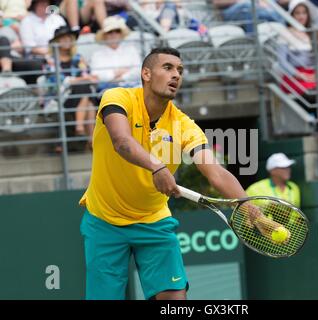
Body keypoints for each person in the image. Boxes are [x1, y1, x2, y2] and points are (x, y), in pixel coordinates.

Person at [79, 47, 252, 300]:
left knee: (174, 299)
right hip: (105, 219)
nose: (176, 75)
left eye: (180, 71)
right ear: (146, 73)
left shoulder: (184, 125)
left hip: (153, 220)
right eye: (168, 68)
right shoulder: (117, 98)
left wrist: (250, 209)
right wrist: (157, 167)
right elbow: (121, 141)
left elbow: (216, 173)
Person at [46, 25, 96, 151]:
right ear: (56, 42)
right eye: (62, 39)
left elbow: (86, 73)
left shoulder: (78, 57)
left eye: (69, 38)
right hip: (61, 97)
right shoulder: (50, 60)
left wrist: (87, 77)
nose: (66, 41)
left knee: (86, 92)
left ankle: (82, 130)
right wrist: (82, 79)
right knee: (86, 91)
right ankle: (89, 137)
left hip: (78, 96)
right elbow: (57, 81)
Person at [277, 0, 318, 114]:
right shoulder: (284, 34)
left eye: (304, 13)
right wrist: (299, 75)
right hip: (294, 76)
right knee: (312, 93)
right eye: (298, 13)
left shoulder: (312, 33)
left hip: (313, 74)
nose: (301, 16)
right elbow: (282, 61)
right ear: (291, 15)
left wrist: (317, 73)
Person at [90, 15, 142, 94]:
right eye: (110, 32)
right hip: (108, 91)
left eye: (117, 31)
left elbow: (138, 71)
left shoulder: (131, 50)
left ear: (121, 34)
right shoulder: (97, 55)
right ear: (104, 35)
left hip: (132, 89)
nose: (114, 34)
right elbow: (95, 76)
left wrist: (122, 78)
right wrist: (116, 73)